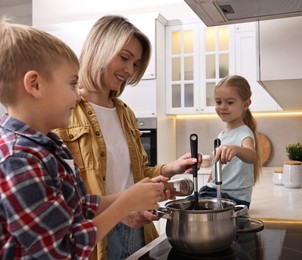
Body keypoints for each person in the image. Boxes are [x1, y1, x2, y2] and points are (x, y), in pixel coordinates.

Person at [0, 19, 168, 259]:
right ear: (35, 85)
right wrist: (124, 205)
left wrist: (131, 196)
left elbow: (79, 205)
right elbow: (64, 249)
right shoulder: (19, 159)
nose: (76, 95)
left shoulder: (50, 146)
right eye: (72, 83)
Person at [53, 15, 200, 260]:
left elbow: (135, 175)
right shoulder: (65, 109)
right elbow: (64, 194)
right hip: (98, 236)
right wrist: (122, 210)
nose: (130, 70)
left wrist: (170, 168)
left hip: (139, 228)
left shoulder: (124, 112)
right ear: (100, 49)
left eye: (135, 63)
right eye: (124, 57)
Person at [198, 75, 261, 208]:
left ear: (246, 104)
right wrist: (208, 184)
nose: (223, 107)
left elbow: (252, 155)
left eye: (230, 102)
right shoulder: (222, 135)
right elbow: (216, 167)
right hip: (214, 191)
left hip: (235, 197)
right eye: (218, 102)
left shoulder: (245, 132)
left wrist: (236, 149)